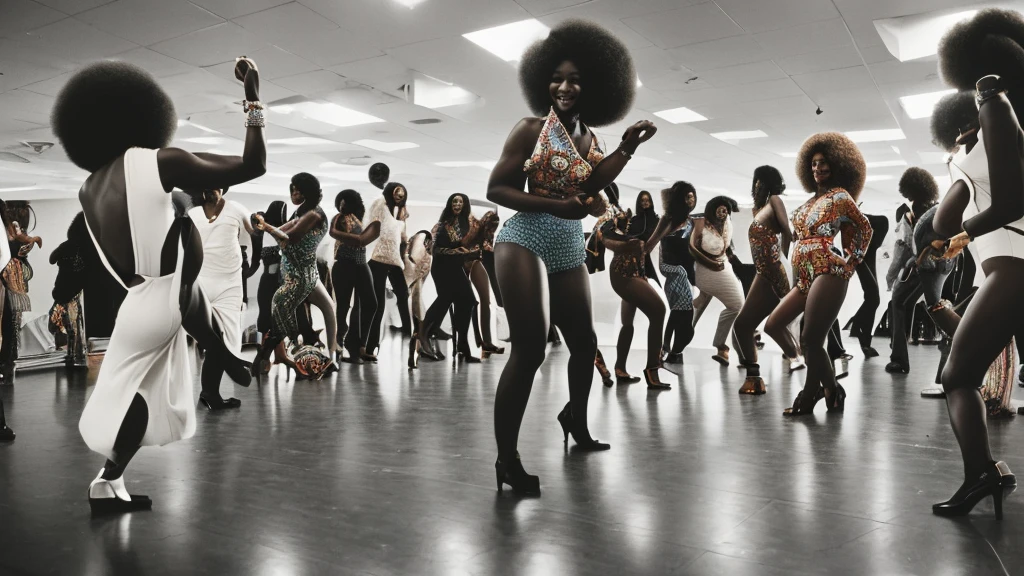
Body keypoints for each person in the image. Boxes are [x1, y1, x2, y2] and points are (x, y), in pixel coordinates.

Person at [52, 57, 262, 513]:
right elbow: (253, 164)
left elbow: (130, 250)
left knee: (140, 397)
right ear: (145, 114)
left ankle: (107, 483)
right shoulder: (159, 161)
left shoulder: (88, 188)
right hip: (164, 295)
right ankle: (224, 354)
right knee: (181, 280)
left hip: (136, 301)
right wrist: (252, 97)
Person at [487, 19, 655, 495]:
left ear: (595, 85)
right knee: (531, 347)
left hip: (566, 246)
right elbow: (496, 189)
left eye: (576, 79)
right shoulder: (531, 129)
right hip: (522, 240)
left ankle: (575, 421)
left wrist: (626, 146)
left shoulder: (593, 139)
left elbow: (594, 183)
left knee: (584, 343)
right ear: (543, 80)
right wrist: (559, 206)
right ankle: (507, 460)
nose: (564, 86)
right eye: (557, 77)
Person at [929, 9, 1024, 518]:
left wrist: (968, 230)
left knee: (957, 375)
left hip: (1014, 265)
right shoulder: (991, 127)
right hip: (1008, 266)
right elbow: (943, 220)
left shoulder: (995, 104)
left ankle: (980, 474)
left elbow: (1012, 203)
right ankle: (985, 472)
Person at [764, 131, 871, 416]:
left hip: (829, 270)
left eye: (823, 162)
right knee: (774, 325)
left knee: (811, 340)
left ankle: (817, 392)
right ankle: (827, 388)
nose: (817, 168)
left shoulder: (840, 197)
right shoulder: (809, 202)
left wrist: (852, 261)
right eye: (812, 164)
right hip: (804, 276)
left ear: (837, 164)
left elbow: (864, 228)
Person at [253, 173, 335, 379]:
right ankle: (318, 357)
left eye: (297, 190)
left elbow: (289, 237)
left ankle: (330, 356)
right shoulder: (301, 214)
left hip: (301, 276)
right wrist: (266, 228)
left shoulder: (314, 215)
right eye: (292, 190)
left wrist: (266, 227)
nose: (294, 194)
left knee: (318, 313)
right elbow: (283, 233)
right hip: (293, 275)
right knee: (284, 324)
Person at [734, 166, 803, 395]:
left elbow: (787, 231)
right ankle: (792, 358)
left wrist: (786, 256)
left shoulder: (775, 200)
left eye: (758, 181)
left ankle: (762, 374)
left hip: (770, 273)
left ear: (764, 182)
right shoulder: (762, 208)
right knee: (756, 325)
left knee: (745, 325)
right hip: (764, 271)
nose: (755, 185)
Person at [187, 187, 256, 410]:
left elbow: (253, 234)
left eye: (215, 184)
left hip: (229, 284)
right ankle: (230, 369)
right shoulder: (192, 213)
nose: (209, 189)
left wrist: (253, 266)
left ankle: (210, 393)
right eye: (204, 184)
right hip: (201, 281)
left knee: (227, 335)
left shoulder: (236, 209)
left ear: (223, 187)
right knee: (212, 336)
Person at [596, 192, 669, 388]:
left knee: (627, 323)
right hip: (624, 272)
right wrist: (626, 245)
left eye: (648, 200)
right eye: (642, 200)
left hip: (636, 271)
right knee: (659, 311)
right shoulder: (615, 219)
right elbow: (605, 239)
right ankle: (652, 371)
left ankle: (620, 369)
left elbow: (649, 245)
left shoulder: (652, 221)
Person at [413, 194, 492, 367]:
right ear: (450, 204)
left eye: (460, 202)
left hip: (455, 268)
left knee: (468, 301)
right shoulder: (443, 225)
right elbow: (436, 250)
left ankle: (461, 344)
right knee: (446, 298)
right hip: (442, 268)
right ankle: (423, 333)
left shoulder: (467, 224)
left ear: (465, 205)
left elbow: (474, 245)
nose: (457, 204)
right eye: (454, 201)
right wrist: (458, 252)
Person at [885, 168, 942, 374]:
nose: (906, 195)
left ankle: (898, 357)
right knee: (932, 307)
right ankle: (899, 346)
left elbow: (904, 245)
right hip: (939, 267)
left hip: (919, 266)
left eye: (907, 191)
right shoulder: (937, 208)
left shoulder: (912, 212)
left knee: (899, 302)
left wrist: (892, 274)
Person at [689, 196, 745, 365]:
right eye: (720, 210)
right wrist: (711, 263)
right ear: (712, 209)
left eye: (726, 210)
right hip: (705, 269)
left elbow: (727, 248)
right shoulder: (701, 222)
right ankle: (721, 346)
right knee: (736, 305)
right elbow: (692, 248)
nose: (723, 213)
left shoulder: (728, 223)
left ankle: (724, 349)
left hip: (724, 266)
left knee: (702, 304)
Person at [330, 189, 379, 364]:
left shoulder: (358, 217)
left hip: (361, 264)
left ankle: (358, 345)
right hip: (344, 264)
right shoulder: (339, 218)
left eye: (345, 202)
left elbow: (360, 239)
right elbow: (357, 239)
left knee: (370, 303)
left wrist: (358, 238)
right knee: (343, 307)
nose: (341, 206)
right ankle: (341, 347)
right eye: (340, 202)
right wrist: (358, 238)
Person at [366, 179, 412, 354]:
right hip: (378, 260)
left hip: (393, 261)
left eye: (402, 195)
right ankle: (371, 346)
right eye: (396, 194)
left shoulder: (398, 214)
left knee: (403, 293)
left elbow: (401, 239)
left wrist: (405, 257)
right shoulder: (381, 205)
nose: (399, 197)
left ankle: (409, 333)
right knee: (378, 305)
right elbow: (375, 226)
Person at [659, 187, 698, 365]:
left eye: (692, 197)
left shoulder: (692, 222)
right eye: (686, 197)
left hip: (688, 279)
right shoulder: (669, 223)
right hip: (676, 279)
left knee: (679, 317)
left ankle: (672, 350)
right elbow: (662, 262)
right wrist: (679, 271)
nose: (690, 201)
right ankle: (669, 349)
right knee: (681, 317)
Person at [249, 200, 287, 374]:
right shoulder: (264, 230)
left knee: (277, 318)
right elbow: (254, 218)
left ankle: (277, 354)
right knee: (265, 316)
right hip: (269, 281)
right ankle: (264, 354)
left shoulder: (284, 231)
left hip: (278, 281)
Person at [465, 211, 504, 356]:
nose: (493, 228)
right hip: (465, 261)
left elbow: (486, 246)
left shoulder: (487, 234)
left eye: (495, 225)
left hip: (476, 260)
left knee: (483, 301)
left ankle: (485, 342)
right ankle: (475, 341)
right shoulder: (474, 227)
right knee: (471, 303)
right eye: (492, 224)